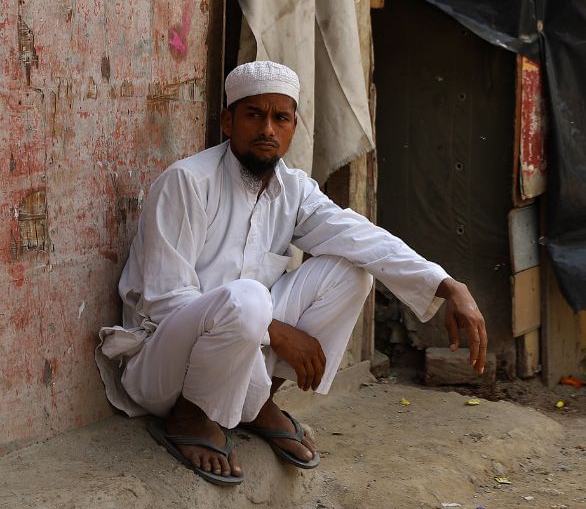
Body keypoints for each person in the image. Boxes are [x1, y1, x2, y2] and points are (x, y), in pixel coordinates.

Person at [96, 61, 487, 486]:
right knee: (248, 297)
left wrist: (448, 285)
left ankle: (258, 403)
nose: (267, 128)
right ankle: (192, 417)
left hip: (242, 352)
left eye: (280, 117)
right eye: (254, 115)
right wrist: (277, 331)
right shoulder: (187, 182)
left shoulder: (295, 190)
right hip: (163, 368)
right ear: (228, 121)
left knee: (352, 274)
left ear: (293, 127)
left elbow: (361, 238)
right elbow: (165, 302)